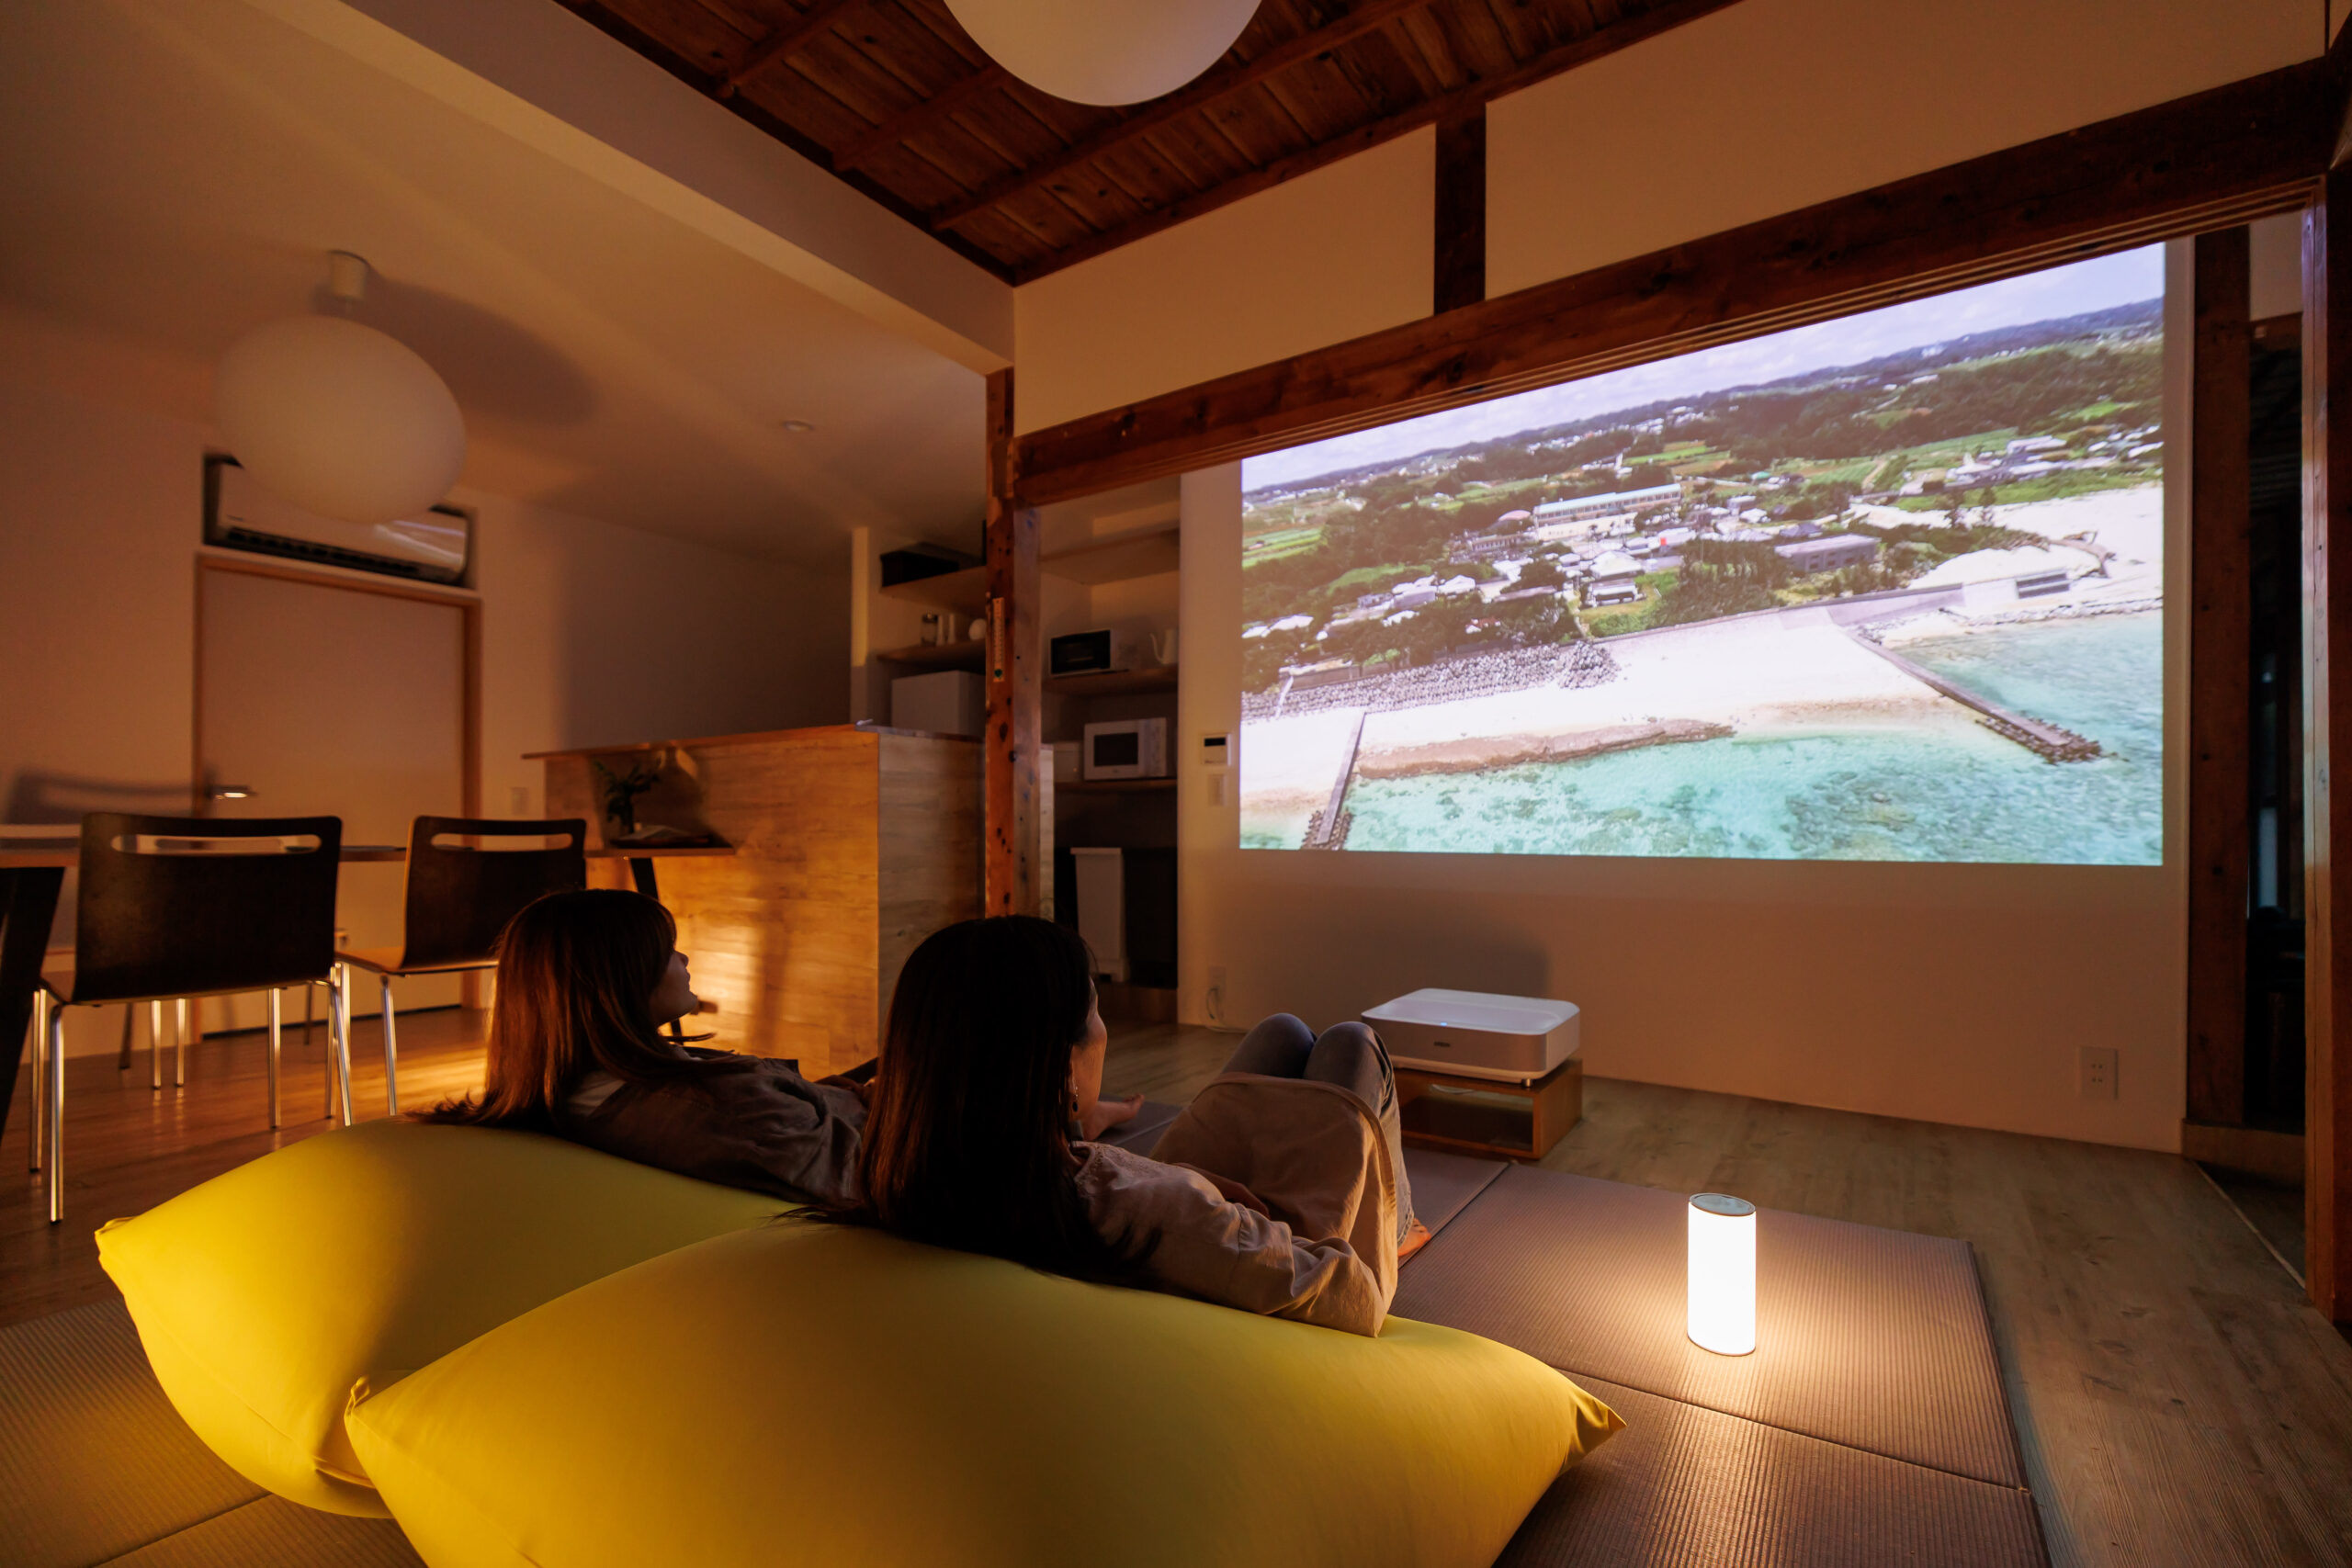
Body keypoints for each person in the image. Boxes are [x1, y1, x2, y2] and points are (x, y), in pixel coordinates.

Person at [845, 915, 1416, 1337]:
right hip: (1276, 1231)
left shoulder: (906, 1170)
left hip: (1163, 1184)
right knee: (1353, 1044)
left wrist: (1171, 1174)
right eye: (1096, 1009)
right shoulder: (1164, 1220)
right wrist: (1198, 1198)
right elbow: (1356, 1297)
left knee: (1283, 1033)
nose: (1105, 1029)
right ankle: (1399, 1224)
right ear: (1059, 1070)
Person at [416, 888, 871, 1206]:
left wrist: (835, 1093)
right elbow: (869, 1177)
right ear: (620, 979)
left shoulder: (568, 1093)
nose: (684, 959)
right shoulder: (729, 1109)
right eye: (669, 949)